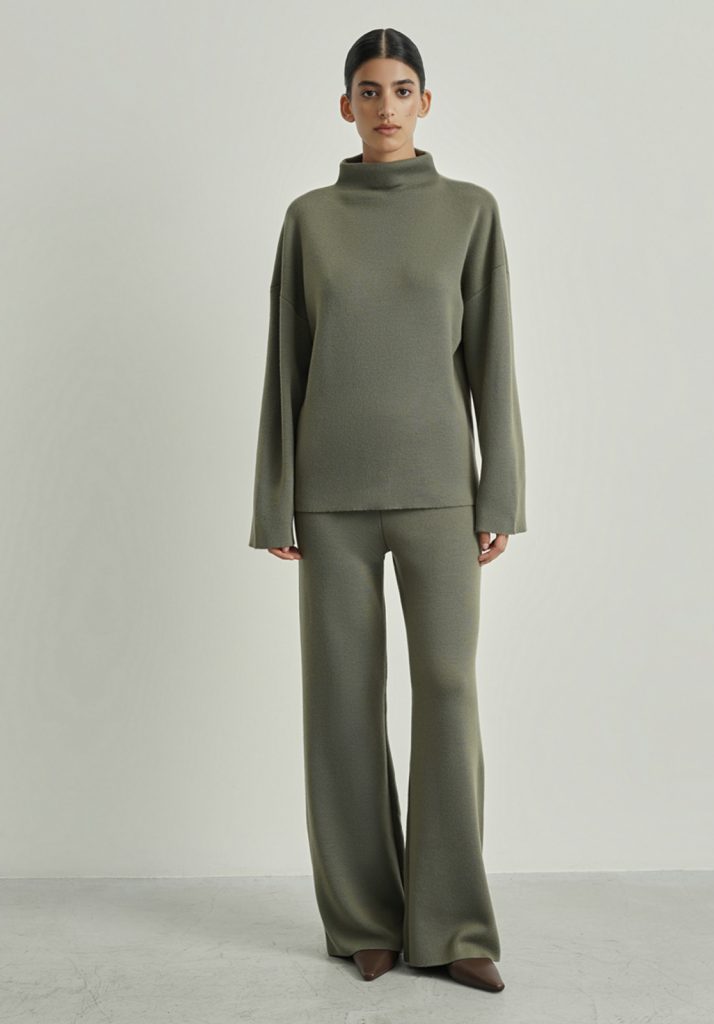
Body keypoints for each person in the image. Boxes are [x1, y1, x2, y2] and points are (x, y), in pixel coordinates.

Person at [248, 27, 527, 994]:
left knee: (446, 691)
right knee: (341, 701)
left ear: (424, 102)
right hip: (329, 496)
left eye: (400, 89)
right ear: (345, 106)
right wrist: (274, 502)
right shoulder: (309, 219)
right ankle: (363, 919)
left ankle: (452, 926)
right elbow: (285, 363)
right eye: (367, 91)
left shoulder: (469, 212)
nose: (384, 106)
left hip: (441, 493)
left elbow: (492, 358)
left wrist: (501, 490)